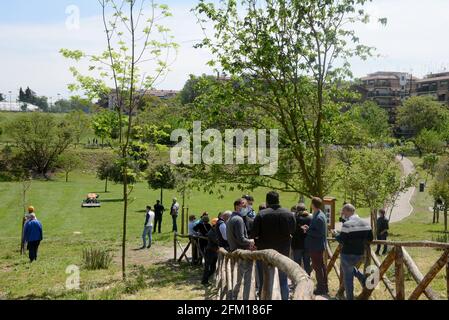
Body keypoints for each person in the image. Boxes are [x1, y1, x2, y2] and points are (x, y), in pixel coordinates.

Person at [252, 191, 296, 300]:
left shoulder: (261, 215)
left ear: (267, 201)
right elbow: (293, 230)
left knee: (264, 280)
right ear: (278, 200)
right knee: (283, 280)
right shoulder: (288, 214)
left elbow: (253, 234)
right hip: (283, 251)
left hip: (265, 252)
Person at [335, 204, 373, 300]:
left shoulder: (347, 224)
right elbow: (370, 239)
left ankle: (350, 298)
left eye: (344, 212)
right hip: (359, 253)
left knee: (348, 279)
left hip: (347, 253)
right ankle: (363, 279)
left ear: (348, 211)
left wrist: (336, 234)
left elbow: (341, 240)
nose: (343, 215)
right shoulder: (366, 223)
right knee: (350, 269)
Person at [227, 198, 256, 298]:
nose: (246, 208)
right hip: (242, 252)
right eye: (244, 206)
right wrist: (251, 241)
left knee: (240, 277)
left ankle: (235, 295)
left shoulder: (231, 218)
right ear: (237, 206)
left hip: (236, 251)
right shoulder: (238, 219)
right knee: (247, 278)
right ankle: (246, 297)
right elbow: (241, 239)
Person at [303, 197, 329, 296]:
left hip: (316, 245)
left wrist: (307, 230)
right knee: (321, 266)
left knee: (317, 267)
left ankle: (321, 288)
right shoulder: (319, 214)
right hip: (317, 245)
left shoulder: (318, 217)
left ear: (313, 204)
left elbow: (319, 233)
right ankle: (324, 286)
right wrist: (309, 228)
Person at [291, 203, 313, 275]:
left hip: (297, 244)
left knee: (297, 264)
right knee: (307, 263)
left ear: (297, 210)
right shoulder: (310, 218)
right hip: (307, 244)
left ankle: (297, 281)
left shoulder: (295, 218)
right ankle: (308, 279)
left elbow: (292, 231)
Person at [202, 218, 220, 285]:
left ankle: (205, 279)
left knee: (213, 268)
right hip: (210, 252)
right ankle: (204, 281)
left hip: (214, 252)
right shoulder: (211, 233)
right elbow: (217, 241)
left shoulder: (215, 231)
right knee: (207, 268)